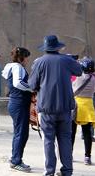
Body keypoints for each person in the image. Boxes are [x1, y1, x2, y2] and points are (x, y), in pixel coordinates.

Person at [28, 35, 82, 176]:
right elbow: (79, 71)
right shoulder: (67, 60)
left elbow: (32, 85)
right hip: (65, 108)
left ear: (45, 48)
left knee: (48, 140)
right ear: (58, 47)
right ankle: (67, 171)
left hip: (46, 108)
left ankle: (50, 171)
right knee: (65, 139)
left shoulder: (39, 62)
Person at [2, 47, 33, 173]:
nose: (27, 60)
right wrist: (32, 88)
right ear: (22, 57)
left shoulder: (11, 67)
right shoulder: (18, 67)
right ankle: (16, 161)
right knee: (21, 133)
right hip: (19, 103)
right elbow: (18, 83)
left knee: (19, 133)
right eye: (26, 58)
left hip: (16, 103)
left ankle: (15, 158)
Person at [71, 57, 95, 165]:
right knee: (87, 133)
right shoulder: (94, 78)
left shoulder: (74, 77)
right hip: (88, 107)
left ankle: (69, 154)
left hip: (76, 106)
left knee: (71, 132)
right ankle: (87, 157)